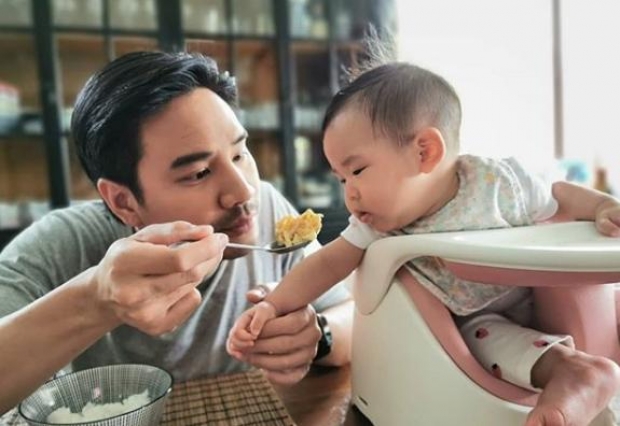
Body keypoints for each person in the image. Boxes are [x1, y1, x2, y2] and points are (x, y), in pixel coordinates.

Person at [227, 59, 620, 425]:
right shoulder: (377, 225)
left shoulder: (500, 183)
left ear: (424, 151)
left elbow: (560, 196)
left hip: (542, 300)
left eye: (358, 170)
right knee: (487, 335)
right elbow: (327, 264)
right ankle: (577, 373)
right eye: (341, 179)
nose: (350, 193)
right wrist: (276, 304)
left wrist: (602, 206)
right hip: (471, 323)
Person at [0, 51, 353, 414]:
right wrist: (96, 300)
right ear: (123, 201)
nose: (244, 191)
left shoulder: (269, 211)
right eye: (199, 173)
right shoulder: (63, 244)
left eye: (239, 154)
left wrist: (317, 335)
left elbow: (347, 313)